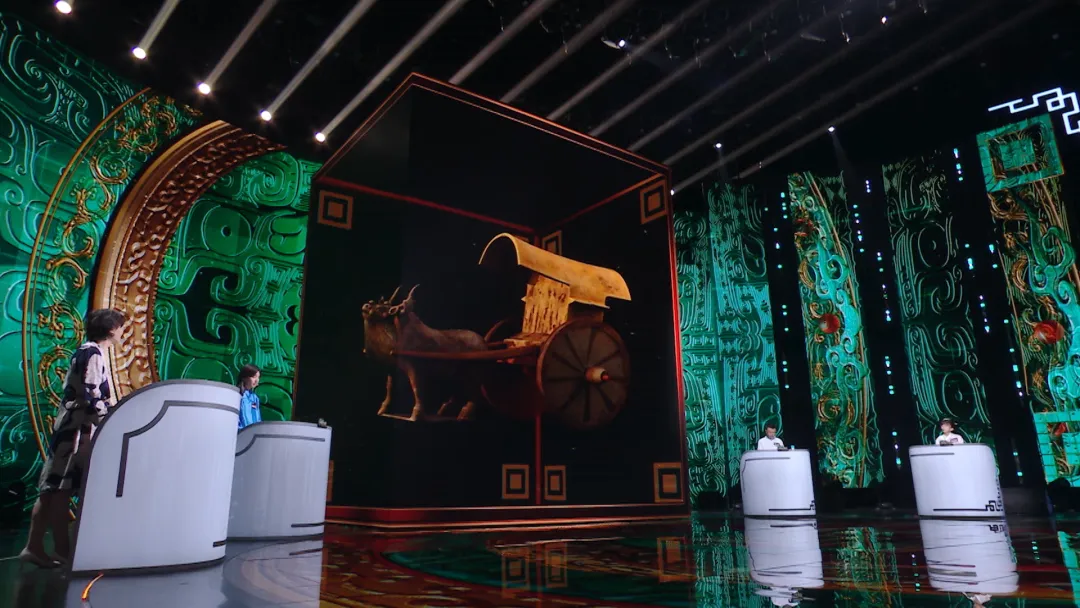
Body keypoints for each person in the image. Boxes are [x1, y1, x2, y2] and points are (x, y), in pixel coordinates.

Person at [20, 308, 127, 568]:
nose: (123, 332)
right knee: (58, 488)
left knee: (55, 489)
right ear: (111, 330)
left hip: (72, 428)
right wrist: (109, 420)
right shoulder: (92, 354)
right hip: (75, 431)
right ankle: (56, 550)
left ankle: (46, 548)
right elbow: (91, 395)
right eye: (121, 327)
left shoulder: (89, 352)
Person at [238, 364, 262, 429]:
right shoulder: (237, 395)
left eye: (258, 377)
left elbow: (258, 419)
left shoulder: (255, 398)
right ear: (244, 377)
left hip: (253, 433)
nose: (256, 380)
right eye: (254, 377)